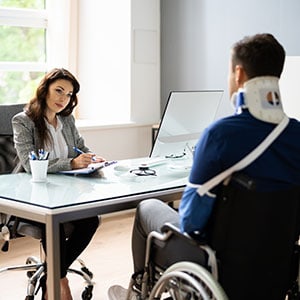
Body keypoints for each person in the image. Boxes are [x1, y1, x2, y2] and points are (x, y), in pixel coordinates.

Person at [108, 33, 300, 299]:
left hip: (216, 264)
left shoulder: (221, 135)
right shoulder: (296, 136)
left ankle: (138, 292)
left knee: (147, 207)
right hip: (276, 265)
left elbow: (191, 222)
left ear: (239, 74)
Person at [12, 68, 103, 300]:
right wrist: (71, 164)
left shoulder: (67, 120)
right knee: (55, 223)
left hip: (66, 192)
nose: (63, 99)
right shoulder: (23, 121)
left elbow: (80, 147)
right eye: (59, 91)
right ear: (45, 90)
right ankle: (59, 281)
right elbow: (30, 164)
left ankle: (52, 275)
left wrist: (92, 158)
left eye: (69, 94)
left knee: (91, 220)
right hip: (32, 196)